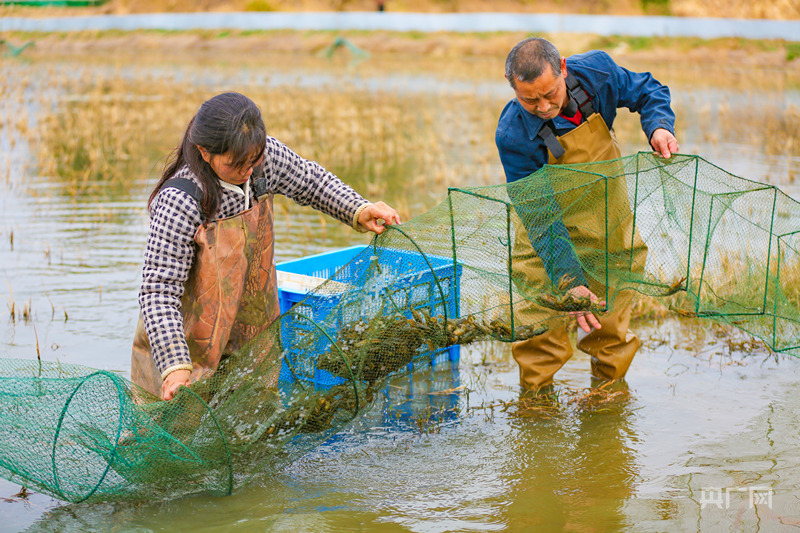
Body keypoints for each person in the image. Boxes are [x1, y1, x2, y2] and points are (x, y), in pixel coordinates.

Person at [131, 92, 400, 401]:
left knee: (251, 425)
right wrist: (175, 366)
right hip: (184, 347)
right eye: (237, 164)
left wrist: (358, 209)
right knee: (176, 435)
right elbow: (158, 291)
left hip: (249, 333)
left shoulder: (263, 159)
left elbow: (311, 181)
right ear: (205, 153)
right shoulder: (180, 201)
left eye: (253, 160)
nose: (248, 170)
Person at [495, 37, 679, 391]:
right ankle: (537, 414)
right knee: (540, 334)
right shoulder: (513, 133)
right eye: (529, 99)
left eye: (550, 93)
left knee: (608, 331)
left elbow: (647, 90)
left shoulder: (597, 72)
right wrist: (569, 281)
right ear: (513, 89)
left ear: (563, 68)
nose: (544, 106)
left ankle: (606, 403)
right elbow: (540, 217)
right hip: (545, 239)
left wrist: (658, 126)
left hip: (606, 223)